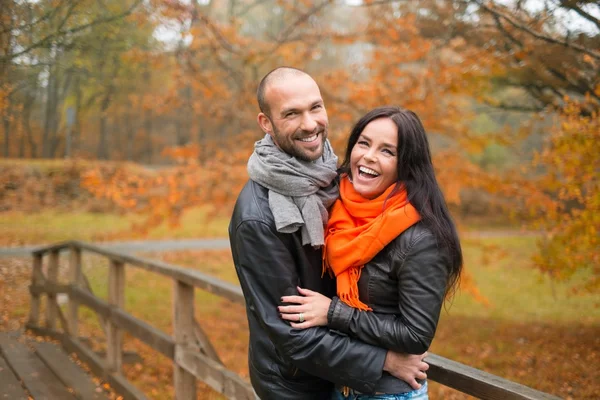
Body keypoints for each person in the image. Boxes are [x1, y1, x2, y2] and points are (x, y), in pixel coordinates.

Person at [228, 68, 429, 400]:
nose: (310, 124)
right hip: (299, 387)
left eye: (315, 107)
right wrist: (385, 360)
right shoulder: (258, 218)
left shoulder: (337, 178)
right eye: (292, 113)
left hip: (345, 376)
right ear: (266, 123)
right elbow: (290, 333)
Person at [279, 106, 463, 400]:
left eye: (387, 151)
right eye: (363, 143)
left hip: (387, 394)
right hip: (341, 386)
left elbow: (416, 334)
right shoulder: (338, 209)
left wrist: (332, 312)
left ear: (406, 164)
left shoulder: (421, 237)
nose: (368, 156)